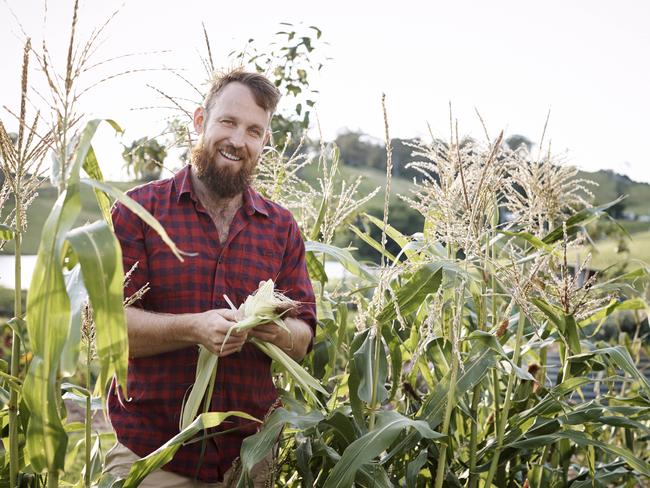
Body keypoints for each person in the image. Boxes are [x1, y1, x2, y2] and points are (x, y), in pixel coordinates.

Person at [104, 69, 317, 487]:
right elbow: (111, 328)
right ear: (200, 121)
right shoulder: (138, 213)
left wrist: (271, 330)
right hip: (152, 458)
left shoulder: (280, 228)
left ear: (264, 142)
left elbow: (304, 334)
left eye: (254, 131)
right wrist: (194, 327)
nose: (239, 140)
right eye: (228, 122)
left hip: (249, 459)